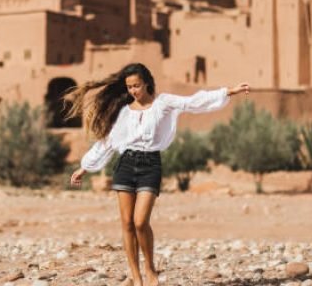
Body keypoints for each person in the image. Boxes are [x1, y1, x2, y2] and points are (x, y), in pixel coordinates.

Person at [65, 63, 250, 286]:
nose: (133, 90)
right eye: (130, 87)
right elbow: (108, 143)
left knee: (141, 221)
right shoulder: (123, 112)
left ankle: (150, 270)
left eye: (137, 85)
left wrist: (228, 91)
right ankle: (135, 276)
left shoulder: (163, 103)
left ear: (147, 83)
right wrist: (84, 167)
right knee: (126, 223)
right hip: (125, 165)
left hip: (150, 165)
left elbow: (192, 102)